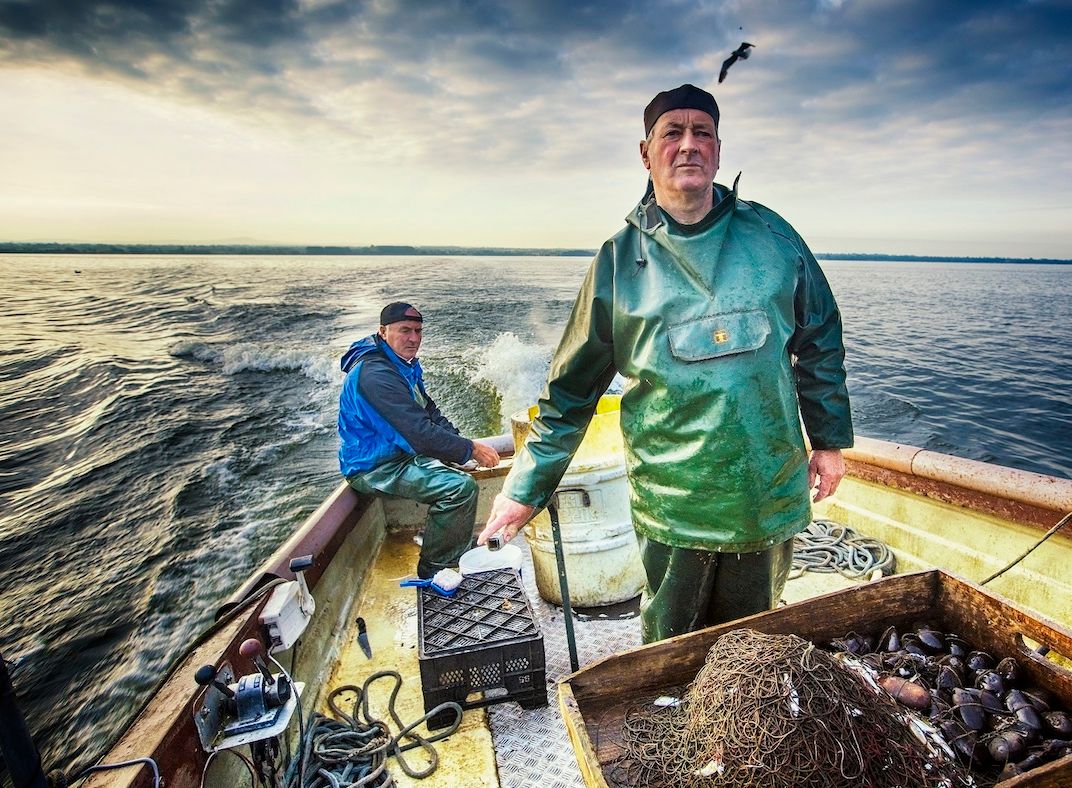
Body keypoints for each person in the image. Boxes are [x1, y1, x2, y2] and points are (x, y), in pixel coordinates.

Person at [480, 84, 854, 642]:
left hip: (766, 490)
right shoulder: (616, 261)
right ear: (646, 151)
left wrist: (827, 441)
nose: (688, 145)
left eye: (702, 133)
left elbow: (820, 338)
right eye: (671, 133)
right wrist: (523, 490)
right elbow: (570, 394)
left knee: (757, 647)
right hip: (674, 503)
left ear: (719, 150)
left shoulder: (774, 236)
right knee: (672, 649)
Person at [338, 301, 500, 579]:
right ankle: (436, 570)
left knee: (458, 471)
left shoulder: (400, 364)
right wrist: (469, 449)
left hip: (401, 454)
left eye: (418, 331)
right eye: (405, 330)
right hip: (375, 467)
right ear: (383, 331)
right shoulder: (376, 375)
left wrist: (458, 446)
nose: (414, 338)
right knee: (459, 488)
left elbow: (429, 412)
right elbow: (420, 434)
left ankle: (454, 547)